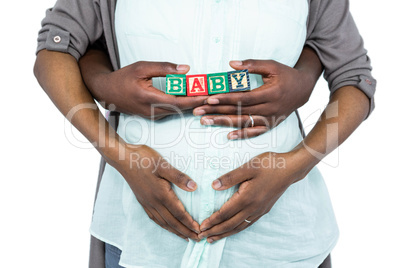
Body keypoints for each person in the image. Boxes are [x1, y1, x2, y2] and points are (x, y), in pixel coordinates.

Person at [34, 0, 376, 267]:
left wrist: (296, 165)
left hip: (276, 245)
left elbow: (354, 77)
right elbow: (55, 49)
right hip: (141, 244)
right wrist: (119, 155)